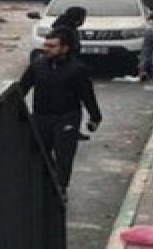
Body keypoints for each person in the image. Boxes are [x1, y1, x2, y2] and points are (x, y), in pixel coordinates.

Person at [18, 29, 103, 191]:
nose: (47, 49)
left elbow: (87, 95)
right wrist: (20, 113)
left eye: (52, 46)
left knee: (64, 155)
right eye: (46, 45)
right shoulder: (37, 66)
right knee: (40, 154)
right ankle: (47, 186)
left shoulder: (77, 69)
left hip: (67, 117)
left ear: (65, 48)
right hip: (41, 117)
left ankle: (61, 187)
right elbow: (21, 90)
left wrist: (95, 117)